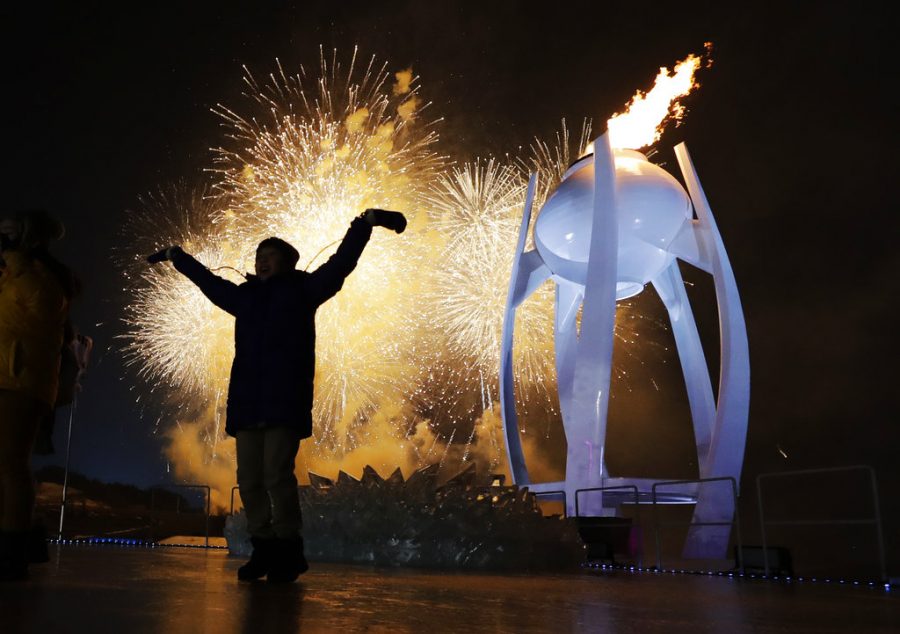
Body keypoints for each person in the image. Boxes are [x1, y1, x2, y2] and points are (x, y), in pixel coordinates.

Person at [150, 208, 406, 583]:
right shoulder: (243, 297)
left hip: (285, 399)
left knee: (276, 475)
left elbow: (340, 264)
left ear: (288, 262)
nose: (262, 262)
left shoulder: (305, 291)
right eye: (259, 257)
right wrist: (178, 257)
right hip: (248, 401)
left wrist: (363, 224)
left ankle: (288, 548)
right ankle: (263, 548)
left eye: (270, 257)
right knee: (250, 479)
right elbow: (209, 282)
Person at [0, 209, 77, 581]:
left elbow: (40, 315)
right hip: (7, 376)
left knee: (10, 464)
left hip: (19, 381)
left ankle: (14, 550)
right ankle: (21, 541)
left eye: (12, 234)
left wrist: (16, 263)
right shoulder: (12, 273)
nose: (5, 240)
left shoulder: (45, 279)